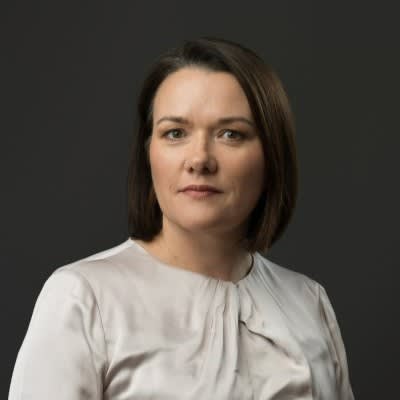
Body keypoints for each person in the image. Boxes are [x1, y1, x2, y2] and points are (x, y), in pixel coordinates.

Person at [8, 37, 355, 400]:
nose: (199, 159)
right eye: (175, 133)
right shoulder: (83, 298)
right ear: (149, 152)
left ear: (272, 154)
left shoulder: (309, 302)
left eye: (230, 134)